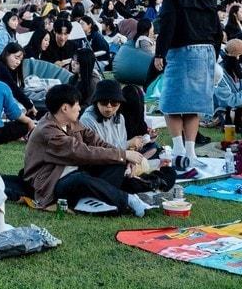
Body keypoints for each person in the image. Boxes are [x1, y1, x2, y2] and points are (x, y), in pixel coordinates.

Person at [21, 84, 150, 215]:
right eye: (77, 104)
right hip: (51, 182)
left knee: (116, 163)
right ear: (65, 108)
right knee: (80, 179)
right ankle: (127, 200)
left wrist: (125, 158)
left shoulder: (71, 122)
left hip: (76, 171)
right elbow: (81, 152)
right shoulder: (48, 131)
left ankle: (93, 199)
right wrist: (123, 154)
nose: (79, 108)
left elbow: (97, 142)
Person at [151, 0, 222, 175]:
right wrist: (213, 56)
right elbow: (218, 31)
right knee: (193, 105)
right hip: (207, 51)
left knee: (170, 103)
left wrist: (159, 53)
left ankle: (179, 150)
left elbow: (167, 26)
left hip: (182, 52)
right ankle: (190, 152)